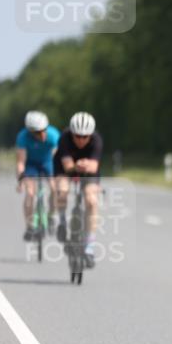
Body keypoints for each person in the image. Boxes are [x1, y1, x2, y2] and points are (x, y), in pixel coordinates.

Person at [56, 112, 103, 263]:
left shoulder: (96, 140)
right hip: (66, 167)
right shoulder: (64, 138)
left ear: (91, 135)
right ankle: (62, 222)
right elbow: (67, 166)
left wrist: (86, 165)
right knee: (62, 191)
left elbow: (94, 167)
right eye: (77, 136)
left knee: (92, 201)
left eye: (85, 136)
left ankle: (89, 246)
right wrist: (77, 165)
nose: (81, 140)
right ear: (72, 133)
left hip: (89, 170)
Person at [15, 111, 60, 240]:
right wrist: (20, 179)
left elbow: (58, 157)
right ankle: (30, 226)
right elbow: (20, 162)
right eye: (37, 132)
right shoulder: (23, 137)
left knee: (54, 189)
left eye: (44, 130)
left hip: (48, 162)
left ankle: (52, 214)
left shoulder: (53, 135)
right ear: (30, 131)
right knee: (30, 193)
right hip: (31, 164)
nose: (42, 134)